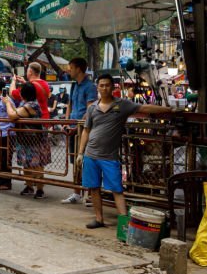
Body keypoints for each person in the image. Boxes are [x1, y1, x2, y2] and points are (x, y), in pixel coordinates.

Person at [79, 74, 173, 229]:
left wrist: (168, 110)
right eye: (101, 85)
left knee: (117, 189)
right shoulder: (92, 108)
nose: (104, 88)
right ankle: (99, 218)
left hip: (109, 157)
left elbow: (144, 108)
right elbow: (86, 131)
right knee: (94, 188)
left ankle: (124, 221)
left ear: (113, 87)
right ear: (98, 88)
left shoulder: (122, 105)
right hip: (90, 154)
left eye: (107, 85)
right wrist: (81, 152)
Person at [3, 81, 49, 199]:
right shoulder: (26, 103)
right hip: (26, 139)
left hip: (35, 140)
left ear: (23, 94)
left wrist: (7, 103)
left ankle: (40, 189)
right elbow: (18, 112)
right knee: (26, 164)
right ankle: (29, 187)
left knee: (37, 165)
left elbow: (13, 115)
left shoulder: (31, 105)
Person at [62, 57, 98, 205]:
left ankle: (89, 194)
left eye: (71, 67)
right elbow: (69, 105)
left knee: (86, 161)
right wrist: (67, 122)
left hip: (84, 129)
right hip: (73, 127)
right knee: (74, 161)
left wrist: (77, 124)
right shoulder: (73, 85)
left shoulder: (90, 86)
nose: (69, 70)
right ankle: (76, 192)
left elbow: (90, 109)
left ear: (78, 69)